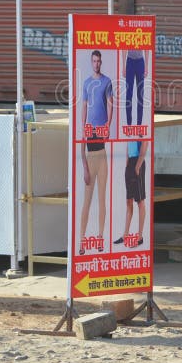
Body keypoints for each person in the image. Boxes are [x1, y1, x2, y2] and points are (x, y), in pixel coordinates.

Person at [79, 50, 113, 254]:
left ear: (101, 62)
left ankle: (100, 238)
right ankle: (82, 241)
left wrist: (108, 124)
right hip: (91, 156)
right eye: (94, 60)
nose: (97, 63)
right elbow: (84, 106)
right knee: (87, 201)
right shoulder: (86, 83)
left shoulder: (107, 82)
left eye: (99, 60)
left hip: (103, 154)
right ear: (91, 62)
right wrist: (84, 167)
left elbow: (111, 106)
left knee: (102, 199)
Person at [114, 140, 148, 248]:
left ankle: (140, 237)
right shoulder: (129, 129)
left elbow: (145, 143)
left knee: (140, 200)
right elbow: (128, 144)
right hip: (130, 163)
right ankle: (125, 235)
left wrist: (138, 165)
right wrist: (127, 162)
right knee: (129, 200)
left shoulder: (141, 126)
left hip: (138, 162)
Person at [124, 49, 148, 125]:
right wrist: (123, 66)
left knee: (140, 95)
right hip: (130, 61)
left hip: (140, 62)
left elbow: (146, 48)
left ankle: (139, 125)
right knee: (128, 95)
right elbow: (124, 47)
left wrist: (146, 67)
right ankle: (129, 125)